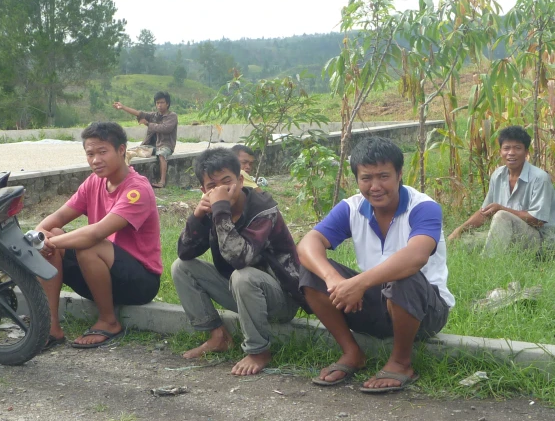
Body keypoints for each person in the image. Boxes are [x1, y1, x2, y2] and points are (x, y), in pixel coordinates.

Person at [298, 137, 453, 393]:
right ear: (357, 179)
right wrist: (332, 279)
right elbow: (307, 244)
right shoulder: (352, 207)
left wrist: (358, 283)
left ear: (399, 174)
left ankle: (401, 362)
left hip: (425, 309)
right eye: (366, 178)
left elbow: (416, 256)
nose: (375, 186)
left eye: (384, 176)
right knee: (310, 272)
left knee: (404, 275)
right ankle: (351, 353)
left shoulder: (423, 207)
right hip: (375, 303)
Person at [171, 148, 304, 376]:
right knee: (181, 268)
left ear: (240, 180)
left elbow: (240, 259)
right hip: (240, 292)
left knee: (243, 276)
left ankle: (258, 350)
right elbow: (185, 252)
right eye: (213, 186)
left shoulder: (263, 210)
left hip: (280, 299)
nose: (222, 190)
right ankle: (218, 336)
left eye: (227, 182)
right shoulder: (214, 208)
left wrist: (220, 210)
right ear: (203, 190)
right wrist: (197, 217)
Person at [35, 122, 161, 349]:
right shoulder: (93, 182)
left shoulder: (137, 189)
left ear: (121, 150)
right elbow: (53, 220)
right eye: (90, 154)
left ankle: (108, 321)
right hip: (99, 275)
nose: (95, 160)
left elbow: (96, 233)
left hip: (139, 282)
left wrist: (48, 241)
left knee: (87, 244)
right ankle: (51, 326)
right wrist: (41, 235)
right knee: (51, 234)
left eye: (103, 152)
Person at [448, 125, 555, 254]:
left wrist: (502, 209)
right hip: (509, 232)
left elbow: (537, 220)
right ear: (500, 152)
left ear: (526, 152)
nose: (511, 153)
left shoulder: (540, 178)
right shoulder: (498, 175)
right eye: (506, 148)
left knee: (502, 215)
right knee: (464, 242)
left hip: (540, 240)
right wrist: (458, 231)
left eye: (517, 148)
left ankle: (488, 264)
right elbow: (485, 212)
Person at [113, 91, 178, 188]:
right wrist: (123, 107)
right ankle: (124, 179)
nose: (159, 105)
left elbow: (165, 128)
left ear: (167, 103)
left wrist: (148, 124)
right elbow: (139, 113)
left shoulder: (172, 116)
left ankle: (162, 181)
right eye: (157, 103)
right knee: (129, 153)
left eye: (162, 102)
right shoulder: (154, 115)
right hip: (151, 146)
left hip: (165, 145)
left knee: (161, 154)